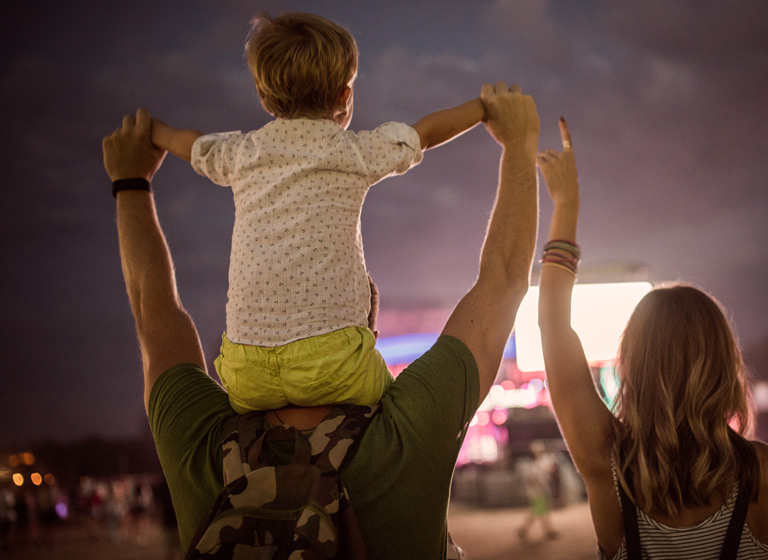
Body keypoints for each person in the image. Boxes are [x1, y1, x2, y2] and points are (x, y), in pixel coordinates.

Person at [103, 80, 538, 559]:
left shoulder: (201, 446)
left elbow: (153, 310)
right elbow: (503, 280)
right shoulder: (408, 433)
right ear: (365, 323)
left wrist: (130, 183)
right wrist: (518, 145)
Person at [535, 119, 768, 559]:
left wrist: (565, 203)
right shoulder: (762, 474)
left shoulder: (606, 463)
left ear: (633, 364)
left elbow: (552, 324)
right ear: (724, 366)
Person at [148, 12, 487, 414]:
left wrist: (153, 132)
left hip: (244, 373)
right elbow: (425, 133)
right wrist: (484, 108)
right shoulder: (354, 152)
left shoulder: (243, 154)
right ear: (345, 98)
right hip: (333, 364)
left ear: (263, 95)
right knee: (397, 404)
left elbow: (192, 145)